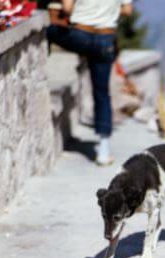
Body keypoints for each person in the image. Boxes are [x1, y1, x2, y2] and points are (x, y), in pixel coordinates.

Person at [47, 0, 133, 165]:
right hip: (105, 38)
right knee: (101, 93)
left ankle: (45, 57)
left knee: (49, 31)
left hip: (80, 36)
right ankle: (104, 150)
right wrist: (109, 13)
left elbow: (67, 7)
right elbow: (128, 10)